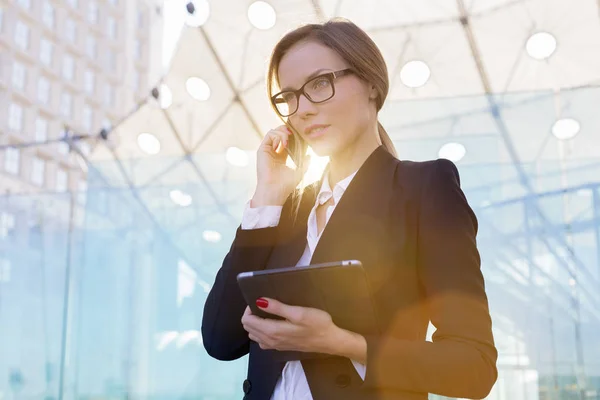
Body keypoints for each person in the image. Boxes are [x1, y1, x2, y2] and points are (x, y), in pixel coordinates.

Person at [201, 18, 497, 400]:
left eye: (319, 84)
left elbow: (473, 367)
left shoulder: (423, 189)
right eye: (288, 97)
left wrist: (343, 343)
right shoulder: (285, 208)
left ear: (372, 83)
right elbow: (220, 340)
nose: (302, 109)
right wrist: (267, 198)